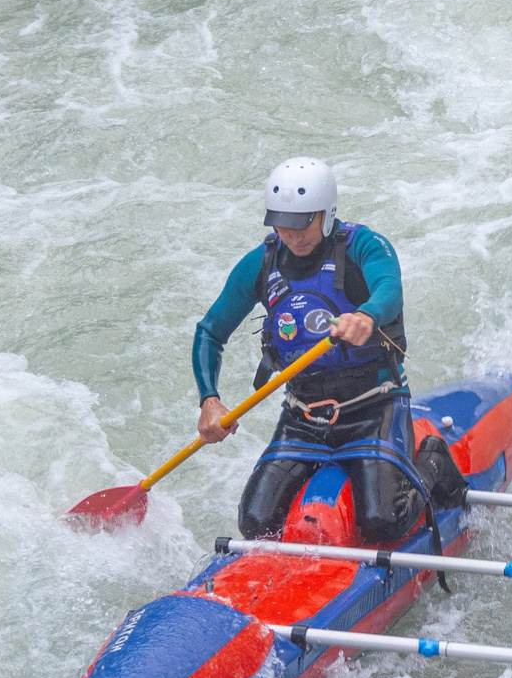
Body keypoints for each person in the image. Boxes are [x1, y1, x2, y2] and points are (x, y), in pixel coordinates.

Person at [191, 157, 466, 544]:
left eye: (304, 223)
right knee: (255, 523)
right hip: (303, 416)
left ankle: (433, 458)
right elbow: (210, 332)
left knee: (383, 523)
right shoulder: (263, 262)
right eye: (282, 223)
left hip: (374, 407)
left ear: (328, 212)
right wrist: (209, 399)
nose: (293, 234)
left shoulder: (364, 246)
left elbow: (390, 289)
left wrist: (368, 316)